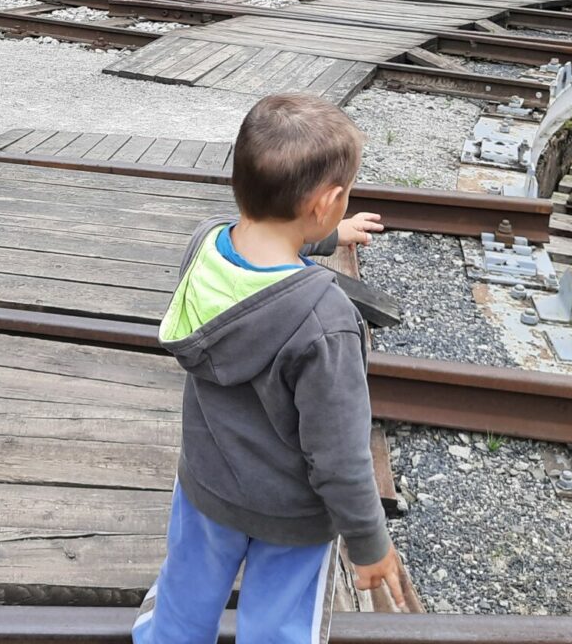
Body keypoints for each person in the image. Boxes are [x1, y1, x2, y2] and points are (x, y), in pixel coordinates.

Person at [134, 93, 401, 644]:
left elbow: (264, 238)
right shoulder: (325, 320)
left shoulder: (205, 246)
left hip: (206, 487)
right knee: (278, 629)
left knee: (181, 606)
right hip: (290, 518)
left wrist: (327, 235)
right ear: (327, 202)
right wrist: (370, 544)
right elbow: (341, 458)